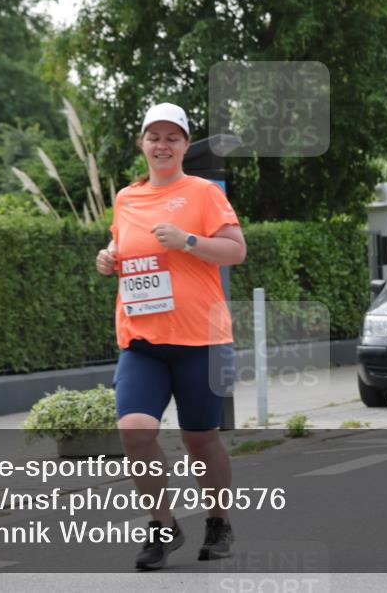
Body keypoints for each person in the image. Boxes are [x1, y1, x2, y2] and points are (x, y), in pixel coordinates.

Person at [95, 102, 247, 570]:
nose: (162, 145)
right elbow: (124, 248)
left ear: (184, 144)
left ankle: (218, 520)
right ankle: (162, 525)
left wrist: (189, 241)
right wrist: (108, 257)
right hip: (142, 339)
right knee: (134, 431)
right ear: (142, 143)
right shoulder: (126, 198)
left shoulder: (202, 193)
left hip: (200, 338)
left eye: (172, 138)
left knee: (200, 439)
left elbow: (236, 251)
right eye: (154, 137)